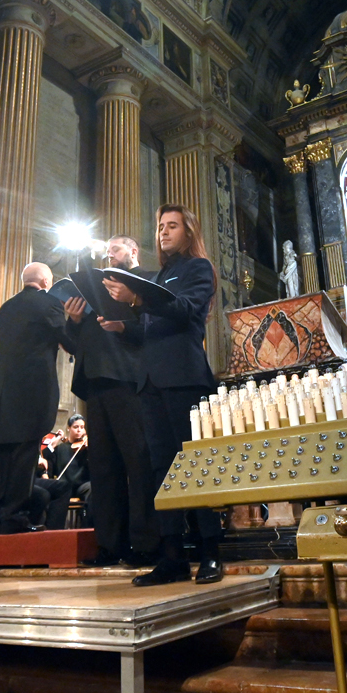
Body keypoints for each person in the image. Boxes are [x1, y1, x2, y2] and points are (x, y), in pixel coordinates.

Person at [103, 205, 223, 586]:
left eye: (172, 226)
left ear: (189, 231)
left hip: (184, 376)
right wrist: (125, 327)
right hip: (151, 381)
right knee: (163, 469)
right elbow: (153, 331)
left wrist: (138, 301)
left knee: (195, 463)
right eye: (159, 226)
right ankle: (172, 556)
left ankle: (210, 552)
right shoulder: (161, 275)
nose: (164, 232)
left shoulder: (198, 269)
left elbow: (187, 312)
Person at [62, 235, 160, 567]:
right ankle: (109, 544)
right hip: (95, 381)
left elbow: (155, 328)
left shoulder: (146, 282)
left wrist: (125, 322)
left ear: (133, 251)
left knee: (138, 462)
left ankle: (146, 543)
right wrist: (74, 322)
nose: (110, 255)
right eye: (107, 252)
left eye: (115, 249)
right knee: (102, 468)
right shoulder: (97, 289)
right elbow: (78, 343)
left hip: (129, 378)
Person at [0, 262, 74, 534]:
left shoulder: (6, 308)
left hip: (4, 392)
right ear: (47, 282)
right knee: (26, 455)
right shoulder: (49, 304)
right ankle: (15, 519)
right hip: (32, 391)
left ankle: (0, 518)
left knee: (5, 457)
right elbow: (67, 340)